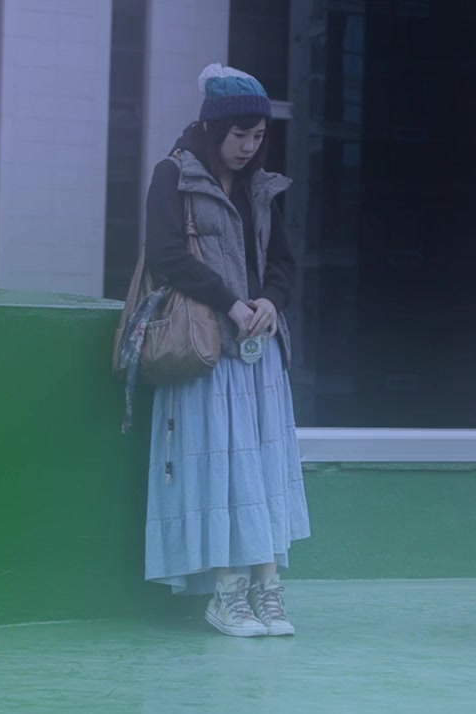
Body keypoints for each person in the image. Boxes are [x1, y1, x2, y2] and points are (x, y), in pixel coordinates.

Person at [140, 64, 309, 637]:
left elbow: (283, 262)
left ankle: (267, 589)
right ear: (213, 129)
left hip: (259, 353)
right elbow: (166, 255)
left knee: (259, 471)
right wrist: (231, 303)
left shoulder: (260, 186)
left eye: (258, 135)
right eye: (239, 134)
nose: (248, 146)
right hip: (206, 351)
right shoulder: (174, 174)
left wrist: (269, 302)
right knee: (220, 471)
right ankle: (227, 592)